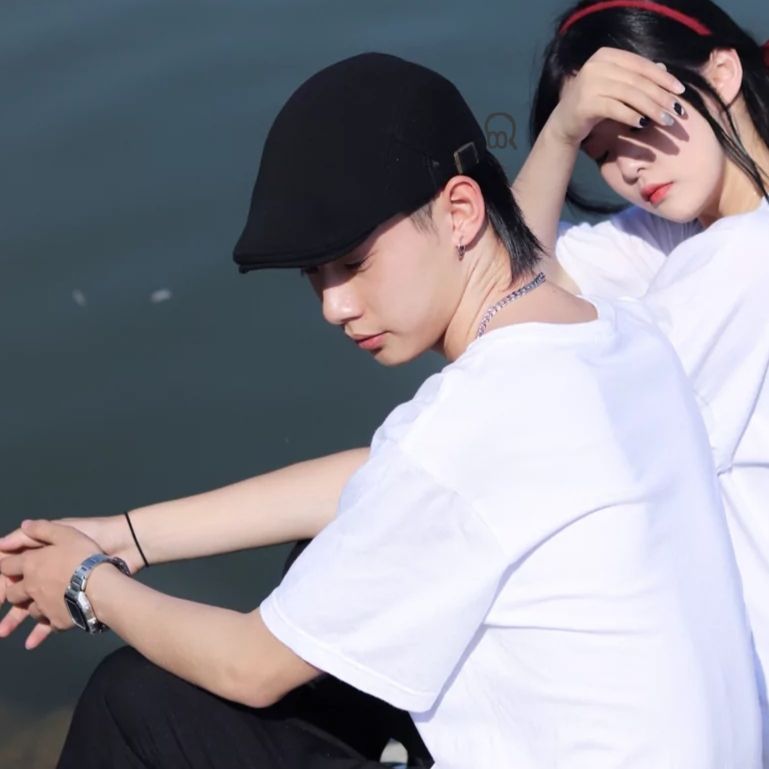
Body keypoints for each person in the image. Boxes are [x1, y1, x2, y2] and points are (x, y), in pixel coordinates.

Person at [0, 52, 761, 769]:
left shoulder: (465, 428)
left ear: (460, 211)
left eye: (354, 262)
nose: (334, 305)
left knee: (135, 704)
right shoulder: (618, 332)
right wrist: (127, 535)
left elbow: (251, 667)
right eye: (315, 273)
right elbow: (385, 480)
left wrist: (87, 583)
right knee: (329, 552)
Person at [512, 0, 769, 760]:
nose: (627, 167)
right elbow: (505, 291)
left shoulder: (743, 254)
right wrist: (560, 131)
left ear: (722, 72)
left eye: (640, 121)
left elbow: (504, 333)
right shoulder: (667, 239)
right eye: (600, 149)